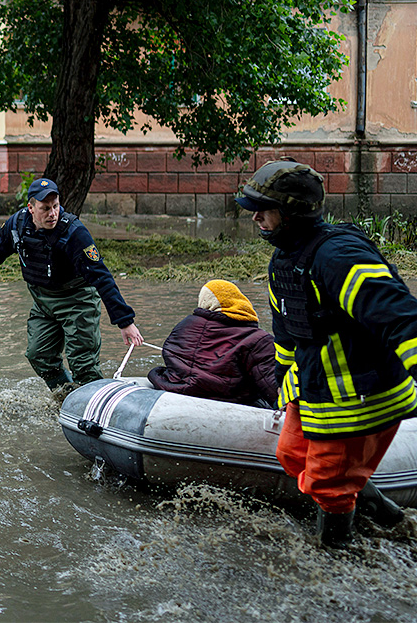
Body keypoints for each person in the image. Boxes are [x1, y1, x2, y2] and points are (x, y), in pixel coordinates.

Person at [236, 159, 415, 547]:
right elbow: (287, 332)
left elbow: (399, 316)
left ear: (292, 212)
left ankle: (337, 557)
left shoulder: (338, 256)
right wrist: (283, 379)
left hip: (361, 393)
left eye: (263, 210)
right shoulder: (284, 260)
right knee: (291, 453)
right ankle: (376, 505)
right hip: (315, 385)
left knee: (327, 482)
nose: (255, 219)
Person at [0, 177, 143, 390]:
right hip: (43, 302)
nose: (52, 213)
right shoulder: (17, 224)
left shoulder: (74, 232)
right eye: (45, 208)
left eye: (56, 206)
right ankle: (65, 396)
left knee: (82, 364)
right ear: (31, 208)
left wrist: (125, 322)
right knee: (38, 355)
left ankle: (94, 408)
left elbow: (101, 276)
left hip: (77, 301)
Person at [147, 279, 277, 406]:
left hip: (173, 393)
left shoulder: (184, 325)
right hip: (228, 403)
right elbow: (272, 386)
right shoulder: (259, 339)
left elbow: (171, 358)